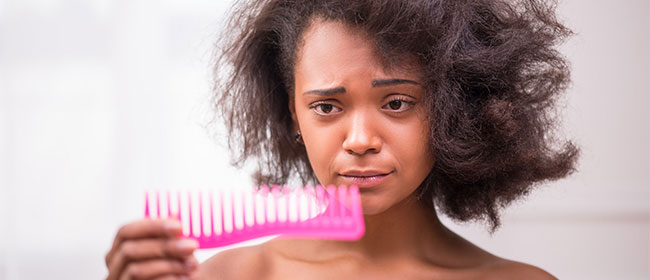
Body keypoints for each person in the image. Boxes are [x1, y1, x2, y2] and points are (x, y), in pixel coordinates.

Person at [105, 0, 579, 279]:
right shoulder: (235, 276)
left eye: (396, 103)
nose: (359, 140)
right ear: (294, 114)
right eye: (327, 107)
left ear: (452, 108)